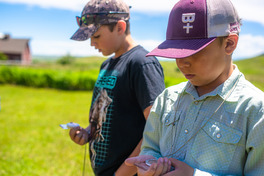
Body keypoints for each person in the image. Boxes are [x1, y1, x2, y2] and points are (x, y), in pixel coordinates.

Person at [125, 0, 264, 175]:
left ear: (229, 44)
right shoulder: (167, 98)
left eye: (194, 51)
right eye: (176, 51)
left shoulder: (256, 110)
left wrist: (193, 174)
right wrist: (150, 164)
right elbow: (150, 147)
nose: (182, 63)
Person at [68, 0, 165, 176]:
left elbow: (157, 130)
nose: (92, 44)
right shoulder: (106, 65)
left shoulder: (142, 64)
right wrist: (88, 133)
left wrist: (121, 174)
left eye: (96, 36)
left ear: (120, 27)